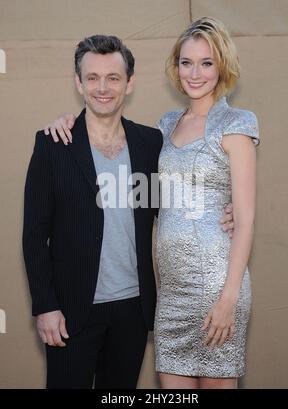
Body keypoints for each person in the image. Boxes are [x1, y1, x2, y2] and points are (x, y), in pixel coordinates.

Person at [39, 31, 235, 389]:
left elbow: (176, 201)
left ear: (129, 83)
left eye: (113, 77)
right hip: (69, 311)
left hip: (133, 309)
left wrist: (224, 208)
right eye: (93, 77)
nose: (103, 87)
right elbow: (34, 235)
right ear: (78, 83)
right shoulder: (54, 143)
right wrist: (45, 306)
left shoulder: (151, 143)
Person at [154, 17, 259, 389]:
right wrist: (70, 121)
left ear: (222, 66)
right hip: (170, 293)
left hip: (218, 286)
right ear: (176, 66)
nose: (194, 73)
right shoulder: (166, 125)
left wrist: (228, 299)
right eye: (186, 62)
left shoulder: (236, 124)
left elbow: (245, 219)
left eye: (206, 62)